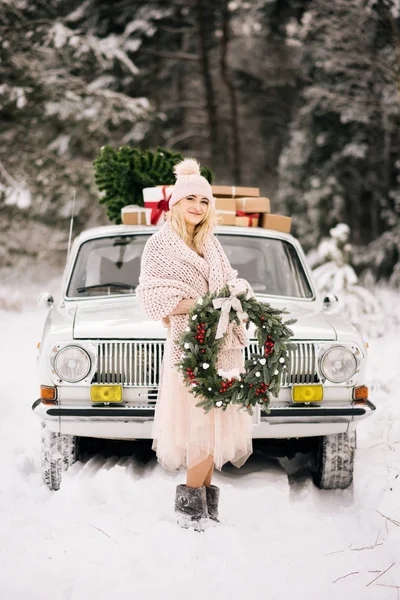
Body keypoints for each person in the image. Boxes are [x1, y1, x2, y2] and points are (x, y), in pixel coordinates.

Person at [136, 158, 254, 531]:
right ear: (176, 202)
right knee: (200, 425)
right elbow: (153, 295)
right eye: (191, 199)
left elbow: (229, 280)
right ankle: (191, 513)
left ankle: (204, 509)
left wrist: (238, 293)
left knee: (213, 421)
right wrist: (203, 303)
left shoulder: (212, 244)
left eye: (204, 202)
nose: (197, 208)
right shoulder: (160, 245)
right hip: (188, 346)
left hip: (220, 345)